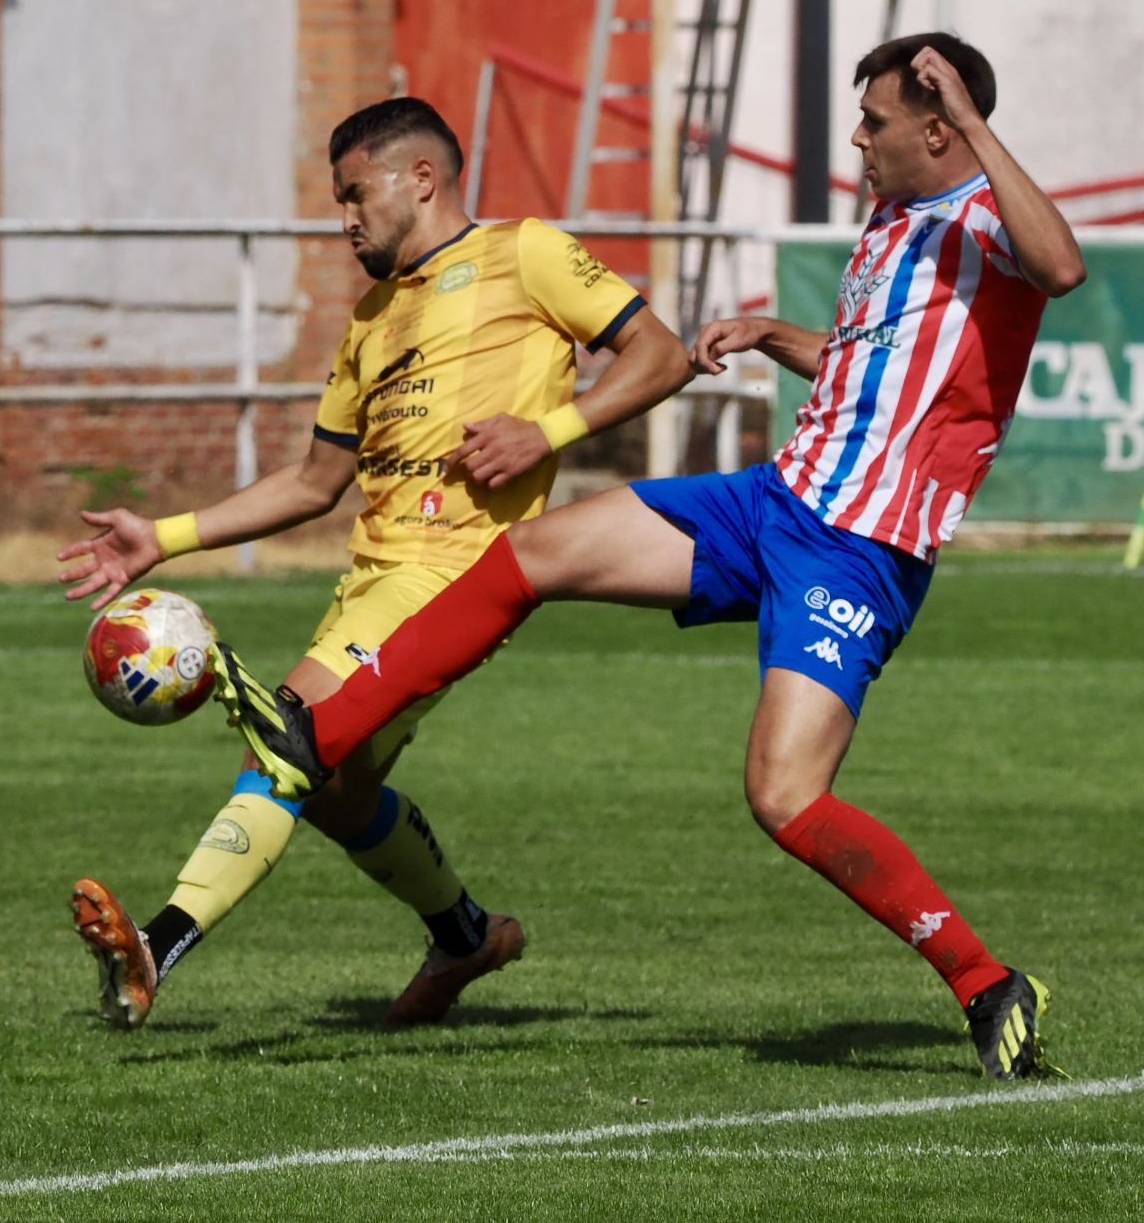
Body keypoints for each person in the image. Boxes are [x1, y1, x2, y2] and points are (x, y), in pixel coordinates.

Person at [215, 35, 1088, 1079]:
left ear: (940, 130)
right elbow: (878, 372)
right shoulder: (894, 222)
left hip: (858, 549)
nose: (858, 139)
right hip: (772, 503)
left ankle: (988, 984)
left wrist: (981, 128)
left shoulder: (988, 215)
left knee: (785, 796)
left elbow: (1063, 268)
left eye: (876, 122)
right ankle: (320, 732)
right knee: (534, 552)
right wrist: (774, 335)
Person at [58, 96, 691, 1031]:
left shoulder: (526, 253)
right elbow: (316, 481)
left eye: (356, 194)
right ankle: (466, 934)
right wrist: (166, 535)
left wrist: (548, 430)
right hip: (372, 580)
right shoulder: (370, 318)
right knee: (337, 792)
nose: (344, 219)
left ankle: (157, 944)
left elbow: (663, 354)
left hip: (455, 576)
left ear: (421, 179)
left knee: (285, 739)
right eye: (338, 201)